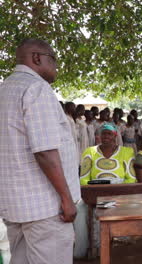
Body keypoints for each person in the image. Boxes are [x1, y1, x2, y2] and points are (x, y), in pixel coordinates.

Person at [0, 39, 80, 264]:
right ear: (36, 58)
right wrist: (66, 199)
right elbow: (44, 151)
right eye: (53, 59)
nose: (56, 67)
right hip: (46, 209)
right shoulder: (36, 88)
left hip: (16, 207)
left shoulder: (5, 89)